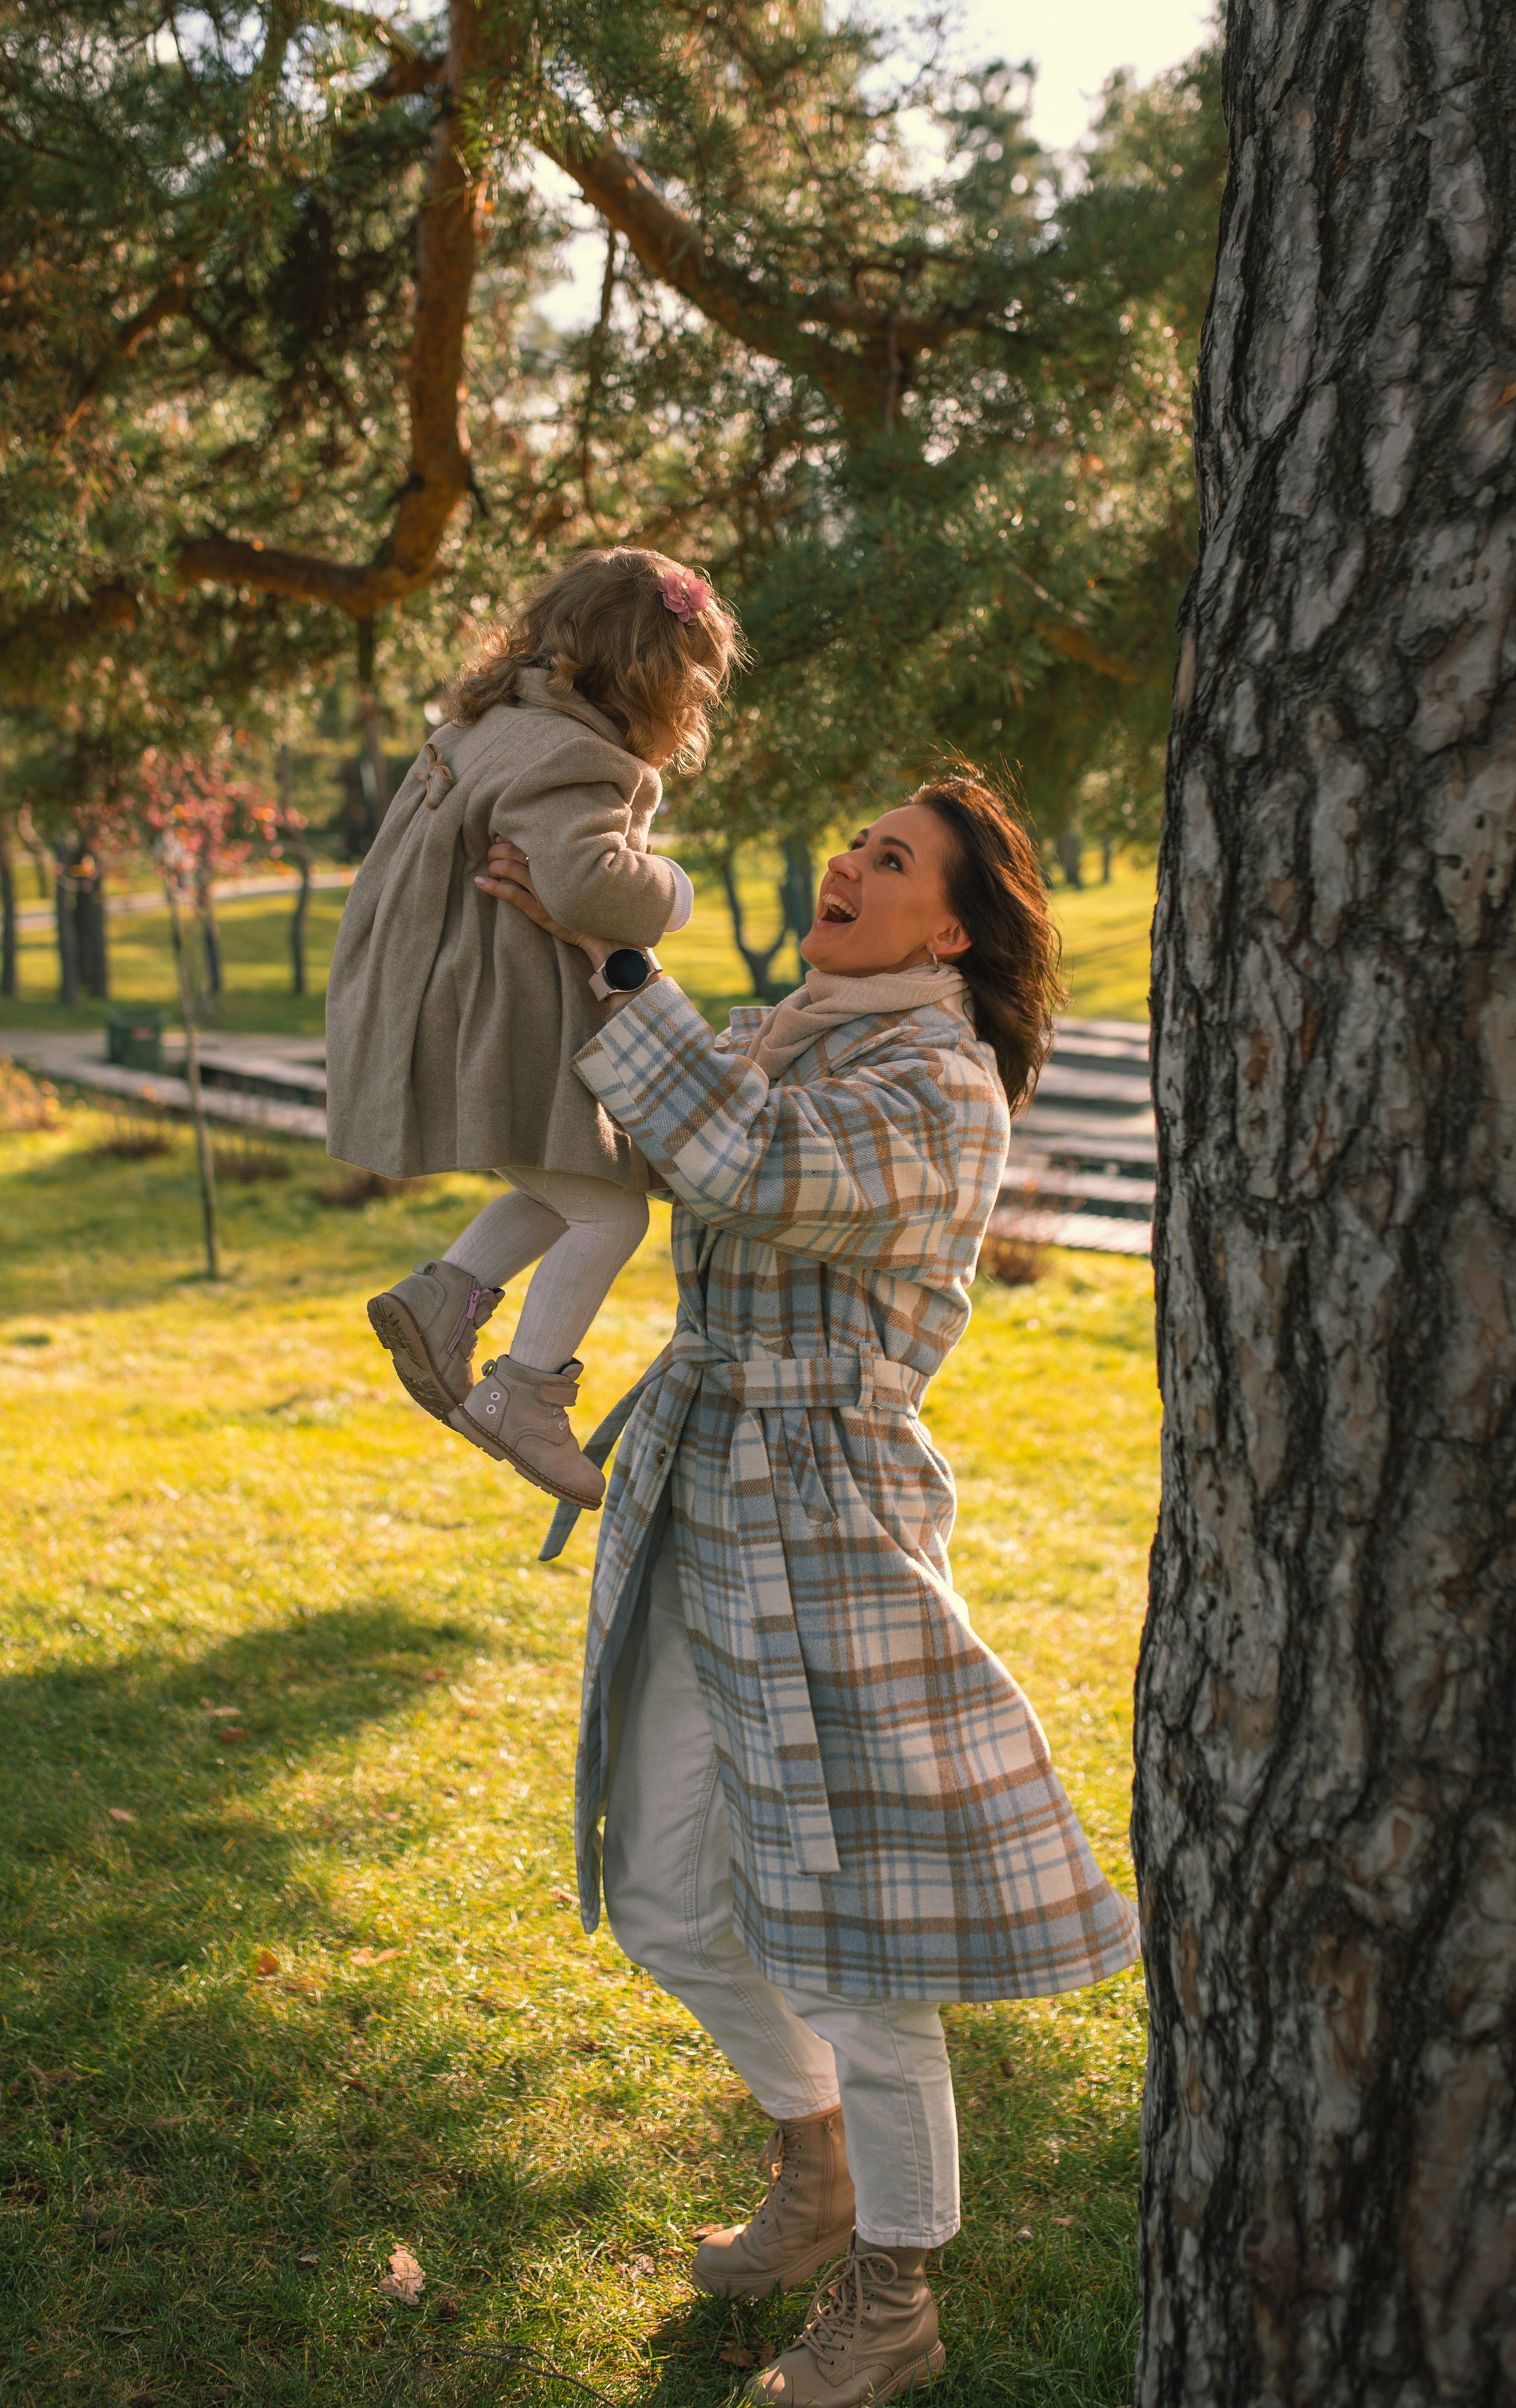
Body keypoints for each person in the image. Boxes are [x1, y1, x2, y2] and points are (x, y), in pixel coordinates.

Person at [477, 773, 1141, 2407]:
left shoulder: (938, 1084)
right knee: (663, 1894)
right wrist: (549, 948)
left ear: (954, 928)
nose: (849, 864)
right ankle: (814, 2163)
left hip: (825, 1529)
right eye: (855, 843)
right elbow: (669, 1137)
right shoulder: (798, 1033)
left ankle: (893, 2300)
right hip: (700, 1482)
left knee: (857, 1956)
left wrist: (623, 967)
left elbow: (753, 1169)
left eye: (891, 860)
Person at [325, 547, 738, 1509]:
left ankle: (444, 1297)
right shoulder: (579, 757)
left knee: (574, 1182)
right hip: (492, 1008)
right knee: (613, 1209)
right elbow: (587, 882)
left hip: (435, 993)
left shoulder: (496, 724)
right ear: (659, 683)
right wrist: (671, 890)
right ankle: (524, 1397)